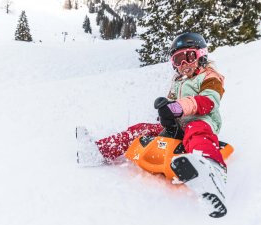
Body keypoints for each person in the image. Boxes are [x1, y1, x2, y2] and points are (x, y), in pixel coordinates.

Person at [87, 32, 226, 169]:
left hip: (202, 123)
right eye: (178, 60)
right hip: (178, 126)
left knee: (196, 132)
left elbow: (209, 100)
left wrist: (177, 108)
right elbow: (172, 102)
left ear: (201, 55)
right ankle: (98, 151)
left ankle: (209, 166)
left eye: (189, 57)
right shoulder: (178, 82)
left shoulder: (210, 76)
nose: (184, 64)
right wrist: (165, 112)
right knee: (142, 129)